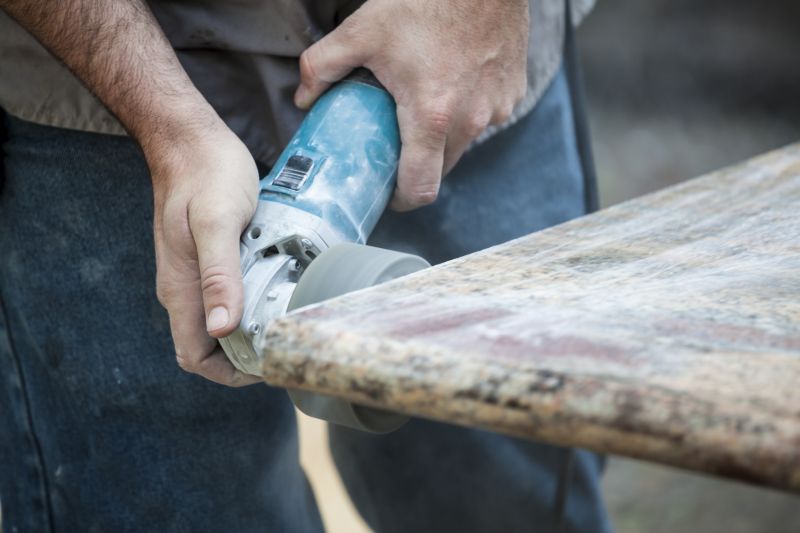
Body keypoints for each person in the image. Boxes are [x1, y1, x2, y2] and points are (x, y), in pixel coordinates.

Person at [0, 0, 612, 531]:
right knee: (181, 504)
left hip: (457, 48)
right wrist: (168, 128)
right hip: (107, 79)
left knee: (509, 486)